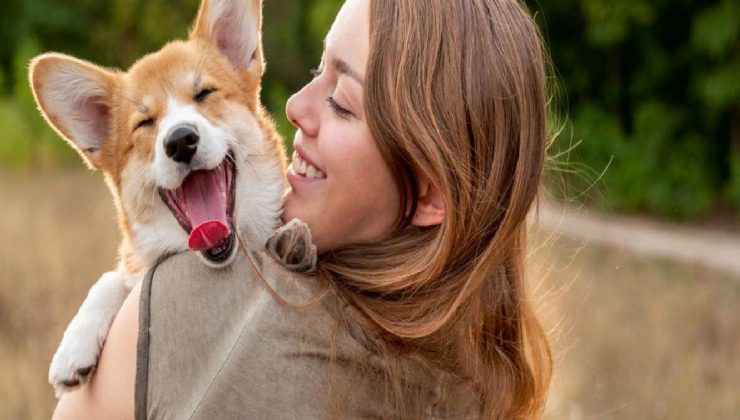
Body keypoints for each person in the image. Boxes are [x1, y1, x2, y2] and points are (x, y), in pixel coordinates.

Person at [52, 0, 552, 418]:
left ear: (429, 193)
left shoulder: (207, 314)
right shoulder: (475, 383)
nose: (291, 106)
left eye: (342, 100)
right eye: (318, 70)